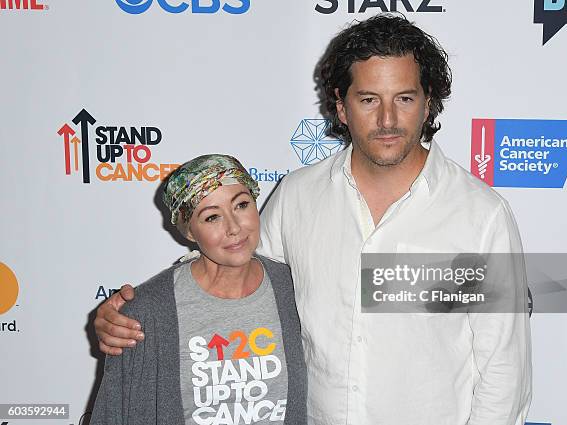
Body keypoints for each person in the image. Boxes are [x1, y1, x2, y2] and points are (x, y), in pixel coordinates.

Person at [94, 14, 531, 425]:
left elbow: (504, 371)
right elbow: (235, 281)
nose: (387, 120)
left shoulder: (480, 215)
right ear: (341, 107)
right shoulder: (298, 196)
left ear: (427, 103)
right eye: (367, 100)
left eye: (404, 98)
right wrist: (138, 317)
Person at [90, 154, 307, 425]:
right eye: (212, 217)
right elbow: (114, 414)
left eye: (241, 204)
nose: (234, 227)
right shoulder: (147, 313)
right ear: (189, 231)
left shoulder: (295, 288)